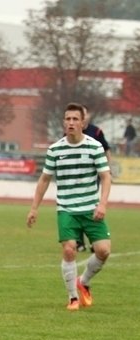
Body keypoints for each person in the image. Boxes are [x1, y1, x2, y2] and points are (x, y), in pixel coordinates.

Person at [26, 102, 111, 311]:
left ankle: (83, 282)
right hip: (66, 209)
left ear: (83, 122)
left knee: (103, 251)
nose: (71, 122)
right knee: (69, 250)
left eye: (75, 119)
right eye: (67, 119)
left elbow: (106, 177)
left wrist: (102, 204)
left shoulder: (94, 146)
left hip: (91, 208)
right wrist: (34, 208)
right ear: (64, 122)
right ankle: (73, 298)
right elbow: (44, 179)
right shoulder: (55, 150)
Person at [77, 105, 112, 252]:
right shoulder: (70, 132)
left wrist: (107, 169)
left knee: (91, 206)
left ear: (87, 116)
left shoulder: (96, 131)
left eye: (83, 114)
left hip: (93, 175)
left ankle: (95, 240)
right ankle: (78, 242)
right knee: (75, 207)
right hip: (76, 176)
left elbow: (106, 150)